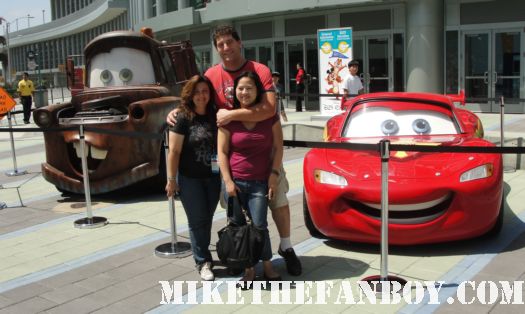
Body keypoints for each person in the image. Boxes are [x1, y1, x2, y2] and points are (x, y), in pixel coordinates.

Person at [167, 25, 302, 277]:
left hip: (265, 154)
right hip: (235, 159)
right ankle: (243, 255)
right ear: (216, 48)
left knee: (278, 202)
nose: (226, 48)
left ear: (240, 43)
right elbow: (198, 96)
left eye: (230, 42)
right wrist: (177, 110)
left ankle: (286, 247)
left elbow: (269, 109)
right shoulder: (212, 73)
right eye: (221, 44)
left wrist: (231, 114)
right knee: (237, 214)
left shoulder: (258, 70)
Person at [217, 71, 282, 286]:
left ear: (258, 91)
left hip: (259, 183)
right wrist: (228, 182)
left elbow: (278, 148)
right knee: (238, 227)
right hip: (235, 182)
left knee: (260, 225)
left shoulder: (269, 116)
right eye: (241, 88)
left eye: (249, 88)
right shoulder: (228, 118)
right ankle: (249, 267)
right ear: (235, 92)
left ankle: (267, 265)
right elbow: (222, 153)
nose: (244, 92)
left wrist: (273, 176)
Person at [165, 75, 221, 281]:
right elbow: (174, 152)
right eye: (197, 91)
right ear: (190, 94)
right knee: (197, 220)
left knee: (206, 219)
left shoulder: (215, 115)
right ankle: (203, 261)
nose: (201, 95)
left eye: (205, 91)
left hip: (213, 176)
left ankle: (203, 252)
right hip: (190, 179)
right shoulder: (182, 117)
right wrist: (172, 179)